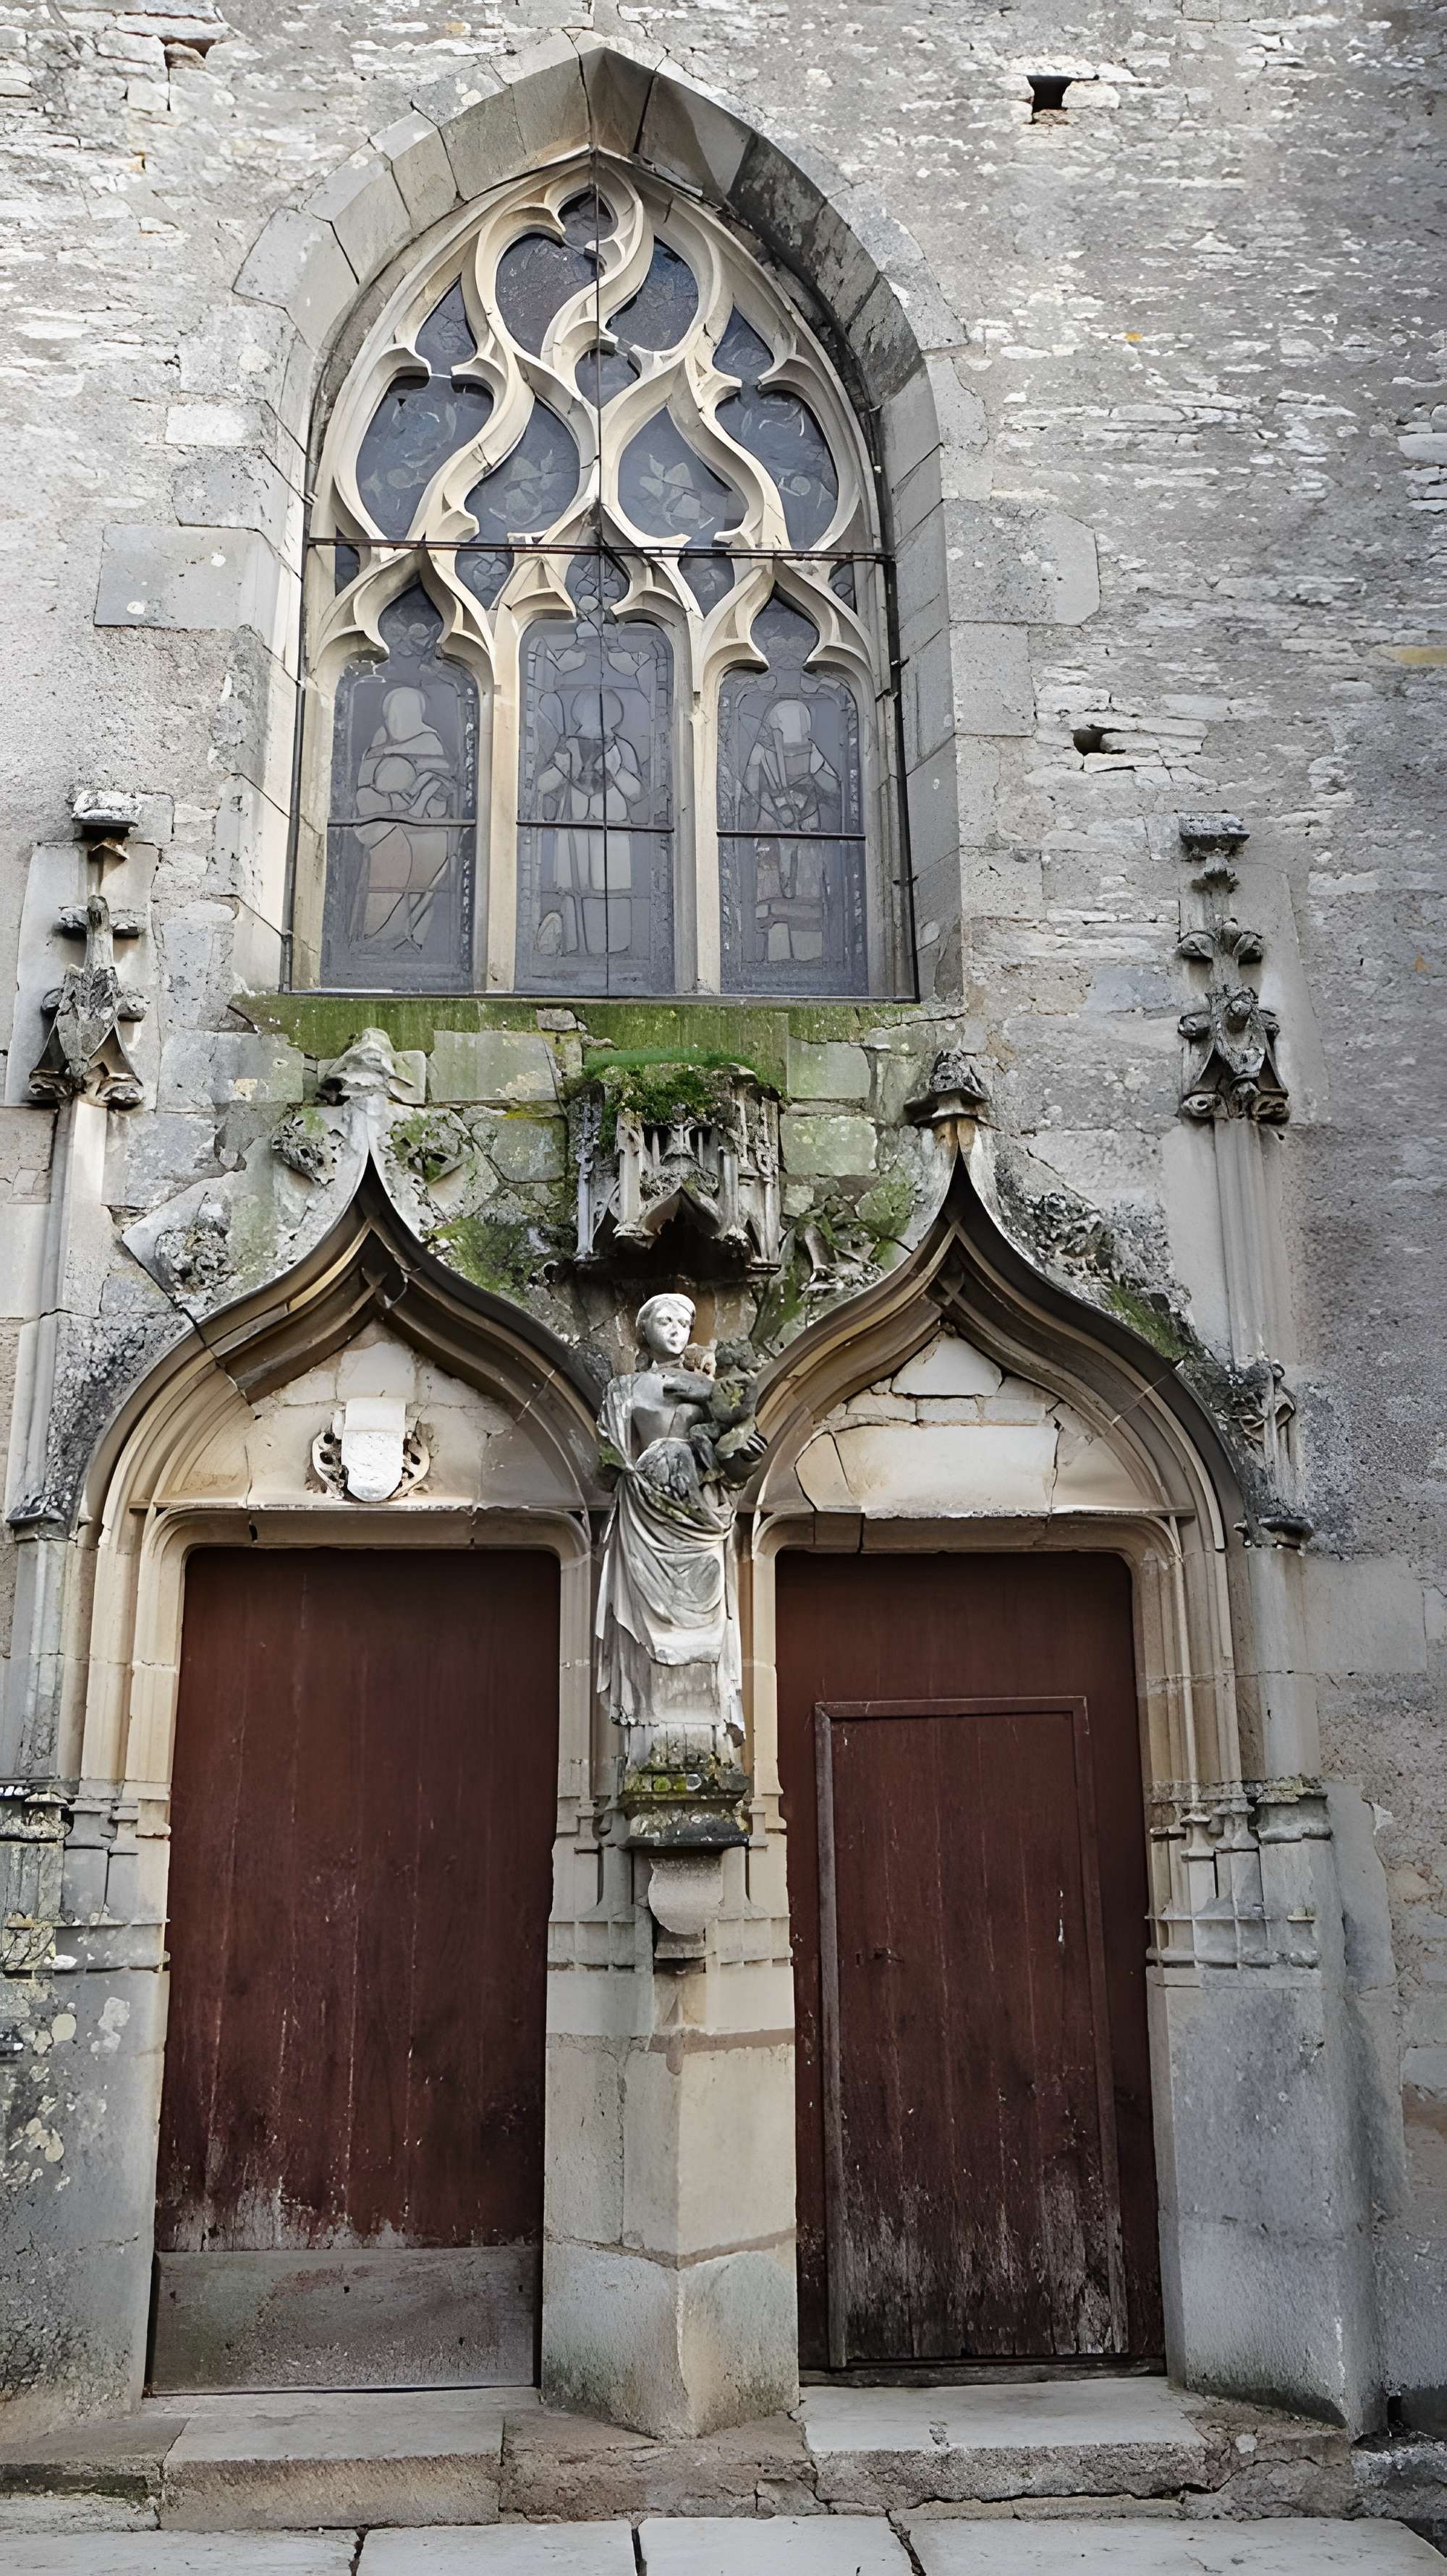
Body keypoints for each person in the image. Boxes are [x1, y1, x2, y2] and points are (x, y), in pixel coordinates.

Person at [595, 1293, 762, 1774]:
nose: (675, 1331)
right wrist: (629, 1471)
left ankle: (702, 1729)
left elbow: (733, 1461)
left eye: (683, 1323)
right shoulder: (625, 1388)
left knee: (705, 1606)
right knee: (648, 1617)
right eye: (664, 1321)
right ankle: (650, 1727)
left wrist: (744, 1452)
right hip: (645, 1503)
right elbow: (607, 1461)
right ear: (644, 1329)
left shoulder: (709, 1387)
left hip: (699, 1510)